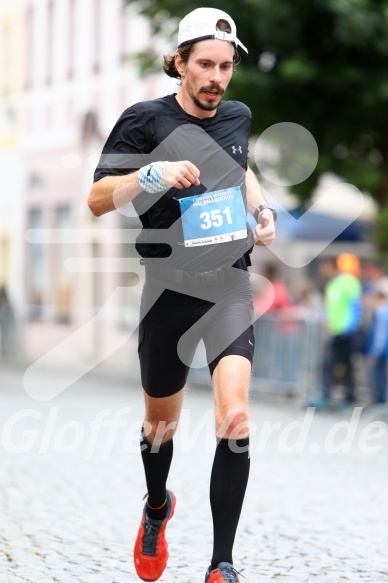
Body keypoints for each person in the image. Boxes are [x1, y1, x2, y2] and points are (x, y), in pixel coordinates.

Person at [88, 7, 276, 583]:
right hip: (167, 290)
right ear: (179, 63)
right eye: (205, 65)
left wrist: (262, 207)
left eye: (225, 66)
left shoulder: (238, 116)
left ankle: (222, 563)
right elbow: (97, 199)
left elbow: (242, 170)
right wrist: (149, 177)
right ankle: (155, 505)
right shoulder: (143, 120)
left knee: (236, 418)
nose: (217, 76)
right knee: (159, 428)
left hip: (228, 287)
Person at [311, 254, 362, 410]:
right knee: (334, 364)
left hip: (345, 332)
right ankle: (332, 396)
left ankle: (345, 397)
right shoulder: (333, 284)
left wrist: (349, 327)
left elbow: (354, 307)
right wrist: (325, 319)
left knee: (342, 365)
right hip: (336, 331)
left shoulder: (349, 282)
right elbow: (330, 307)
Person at [366, 278, 388, 405]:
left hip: (381, 353)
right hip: (383, 353)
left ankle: (381, 402)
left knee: (379, 378)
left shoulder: (381, 313)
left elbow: (380, 336)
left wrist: (375, 352)